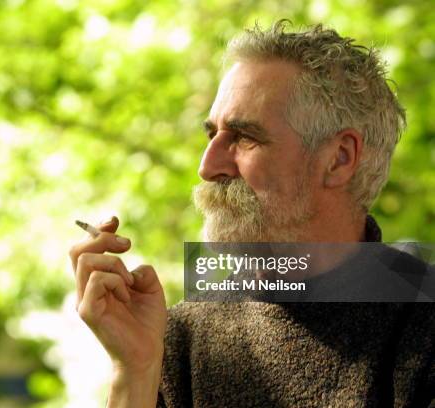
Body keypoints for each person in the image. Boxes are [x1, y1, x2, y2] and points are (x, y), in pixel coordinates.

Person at [68, 20, 434, 407]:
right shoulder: (180, 338)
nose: (207, 167)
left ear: (339, 159)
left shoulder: (421, 327)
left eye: (245, 137)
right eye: (212, 135)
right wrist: (134, 371)